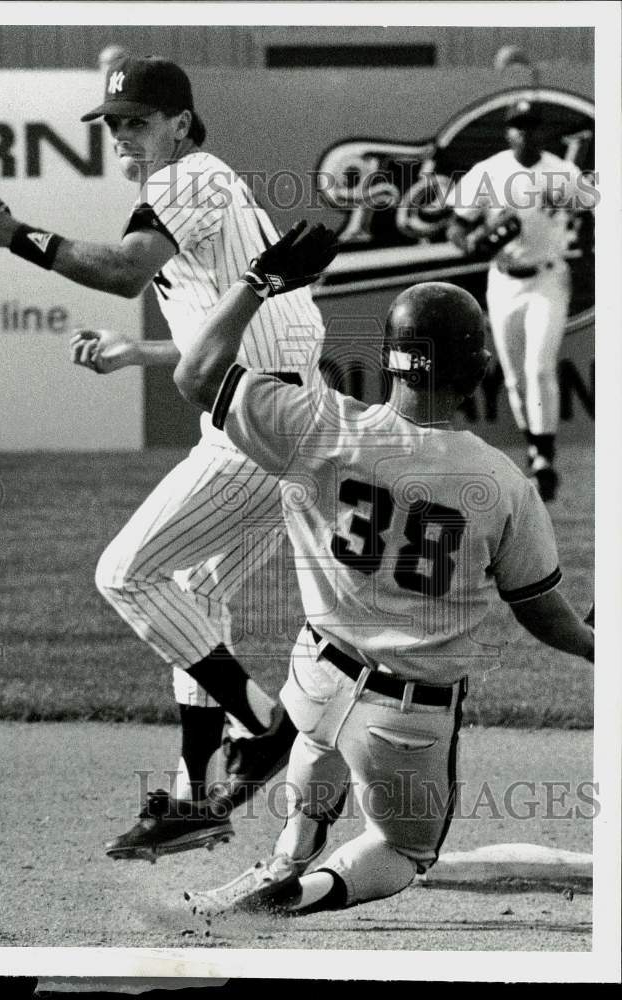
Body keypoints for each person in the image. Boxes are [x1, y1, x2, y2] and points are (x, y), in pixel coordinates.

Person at [0, 52, 332, 860]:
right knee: (193, 597)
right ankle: (199, 802)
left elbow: (125, 270)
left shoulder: (188, 179)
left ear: (180, 124)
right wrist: (139, 356)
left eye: (135, 122)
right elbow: (251, 327)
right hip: (279, 414)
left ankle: (267, 728)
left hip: (258, 429)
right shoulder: (205, 192)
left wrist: (4, 230)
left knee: (126, 573)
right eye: (112, 124)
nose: (121, 137)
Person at [171, 225, 594, 915]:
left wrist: (257, 283)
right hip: (405, 719)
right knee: (403, 851)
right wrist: (591, 644)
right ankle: (290, 895)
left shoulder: (317, 423)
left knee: (320, 744)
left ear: (392, 361)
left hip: (315, 676)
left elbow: (194, 373)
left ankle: (283, 857)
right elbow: (540, 611)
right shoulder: (501, 482)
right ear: (477, 367)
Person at [447, 99, 594, 502]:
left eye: (531, 125)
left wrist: (582, 235)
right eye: (518, 125)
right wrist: (473, 242)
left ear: (541, 132)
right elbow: (457, 226)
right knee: (513, 375)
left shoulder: (562, 172)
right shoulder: (489, 172)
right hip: (504, 280)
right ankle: (535, 449)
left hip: (549, 277)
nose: (525, 132)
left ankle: (545, 457)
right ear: (508, 132)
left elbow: (593, 213)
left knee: (539, 367)